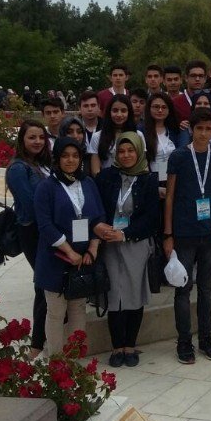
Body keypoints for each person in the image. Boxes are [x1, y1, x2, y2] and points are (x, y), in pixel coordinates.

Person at [163, 108, 211, 364]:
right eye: (199, 128)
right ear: (191, 129)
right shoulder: (178, 156)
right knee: (182, 288)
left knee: (207, 288)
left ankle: (206, 338)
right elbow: (169, 196)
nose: (203, 133)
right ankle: (184, 340)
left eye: (208, 129)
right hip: (184, 232)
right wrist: (168, 234)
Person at [33, 137, 105, 356]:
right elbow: (45, 225)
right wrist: (69, 251)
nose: (70, 160)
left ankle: (75, 357)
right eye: (65, 155)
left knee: (78, 309)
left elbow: (98, 216)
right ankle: (55, 362)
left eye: (75, 156)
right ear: (57, 159)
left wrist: (92, 249)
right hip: (56, 260)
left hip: (83, 260)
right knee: (55, 312)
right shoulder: (46, 187)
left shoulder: (88, 183)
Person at [94, 133, 160, 367]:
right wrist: (103, 229)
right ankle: (116, 346)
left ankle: (130, 345)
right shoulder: (106, 177)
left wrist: (126, 233)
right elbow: (98, 207)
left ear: (140, 152)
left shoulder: (148, 179)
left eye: (131, 151)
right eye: (121, 152)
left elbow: (152, 217)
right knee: (115, 297)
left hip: (136, 244)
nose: (126, 155)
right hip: (110, 244)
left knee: (134, 295)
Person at [5, 120, 52, 357]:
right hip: (33, 231)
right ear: (22, 140)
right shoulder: (18, 169)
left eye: (41, 137)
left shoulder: (41, 164)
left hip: (47, 230)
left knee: (46, 283)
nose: (37, 142)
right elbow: (31, 206)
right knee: (43, 283)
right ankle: (37, 343)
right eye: (32, 137)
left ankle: (43, 338)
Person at [143, 92, 184, 195]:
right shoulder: (141, 131)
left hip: (173, 180)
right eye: (156, 107)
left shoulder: (174, 131)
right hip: (151, 182)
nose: (160, 110)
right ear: (149, 108)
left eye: (164, 107)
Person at [89, 95, 141, 176]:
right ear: (109, 112)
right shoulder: (97, 137)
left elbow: (142, 164)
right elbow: (95, 171)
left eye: (123, 111)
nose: (119, 115)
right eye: (115, 110)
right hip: (106, 183)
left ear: (129, 113)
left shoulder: (138, 135)